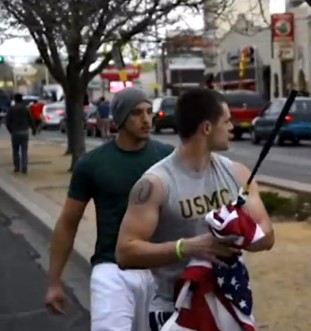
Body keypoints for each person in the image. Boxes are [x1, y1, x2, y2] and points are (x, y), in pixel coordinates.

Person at [115, 88, 275, 331]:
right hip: (175, 311)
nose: (233, 126)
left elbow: (267, 236)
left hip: (229, 308)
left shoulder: (237, 174)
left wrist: (242, 233)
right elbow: (125, 253)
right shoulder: (156, 183)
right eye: (227, 121)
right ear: (207, 128)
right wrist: (188, 247)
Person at [44, 88, 174, 331]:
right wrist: (54, 282)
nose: (146, 119)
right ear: (120, 118)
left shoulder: (168, 158)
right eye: (136, 113)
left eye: (149, 111)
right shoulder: (92, 164)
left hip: (161, 269)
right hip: (112, 269)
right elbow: (68, 222)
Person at [5, 93, 36, 174]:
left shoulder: (11, 109)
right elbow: (31, 120)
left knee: (15, 150)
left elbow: (7, 122)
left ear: (15, 100)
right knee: (24, 150)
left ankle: (17, 167)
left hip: (15, 132)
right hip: (24, 131)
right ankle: (24, 166)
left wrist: (10, 130)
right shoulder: (26, 109)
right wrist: (33, 129)